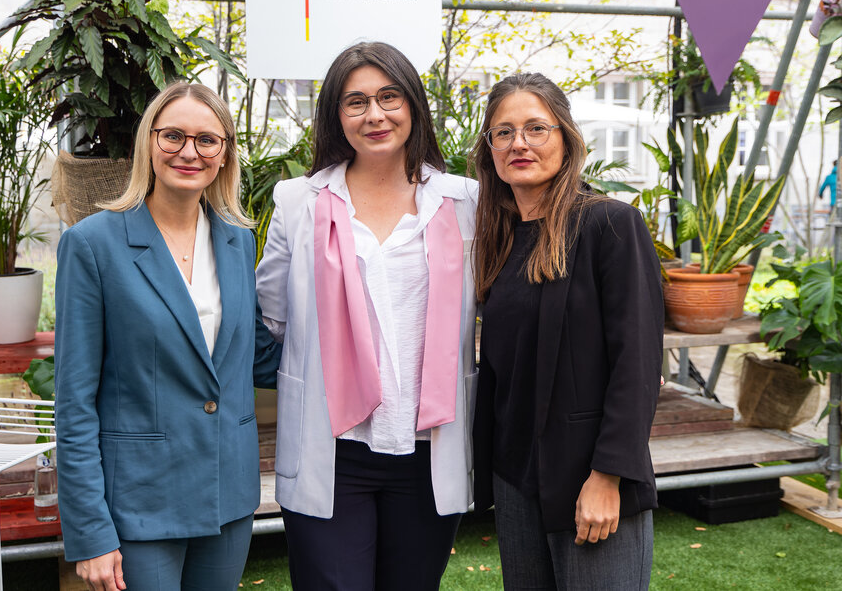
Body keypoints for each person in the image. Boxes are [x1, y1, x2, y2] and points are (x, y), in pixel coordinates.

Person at [255, 41, 479, 590]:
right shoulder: (297, 202)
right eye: (356, 102)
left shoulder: (465, 202)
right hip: (330, 447)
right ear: (336, 114)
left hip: (429, 446)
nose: (375, 114)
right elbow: (273, 316)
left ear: (414, 105)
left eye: (389, 97)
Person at [53, 82, 280, 591]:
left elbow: (255, 357)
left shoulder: (238, 241)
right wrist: (90, 532)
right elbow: (74, 402)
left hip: (228, 492)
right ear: (149, 143)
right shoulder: (92, 245)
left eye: (207, 140)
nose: (189, 152)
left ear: (225, 154)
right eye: (173, 135)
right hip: (140, 501)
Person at [471, 73, 663, 590]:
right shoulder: (498, 238)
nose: (519, 143)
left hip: (589, 476)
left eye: (536, 128)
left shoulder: (610, 225)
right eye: (504, 132)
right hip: (515, 479)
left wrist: (608, 476)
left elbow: (637, 363)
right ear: (489, 148)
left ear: (566, 138)